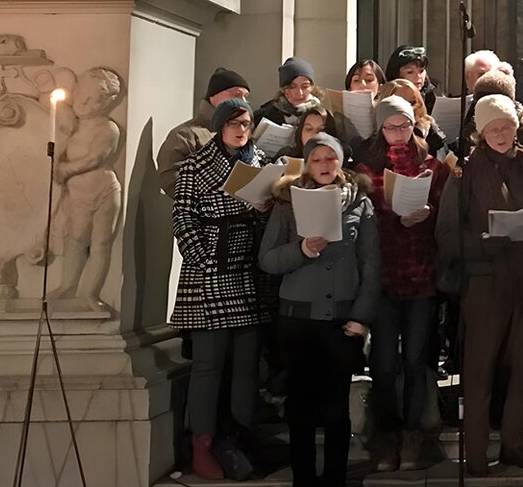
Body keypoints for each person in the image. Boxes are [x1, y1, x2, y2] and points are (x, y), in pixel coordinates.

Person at [435, 95, 523, 474]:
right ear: (480, 132)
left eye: (507, 127)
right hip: (483, 281)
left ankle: (515, 444)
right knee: (480, 370)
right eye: (494, 128)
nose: (502, 134)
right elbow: (447, 235)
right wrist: (485, 243)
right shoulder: (465, 173)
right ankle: (477, 453)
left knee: (520, 368)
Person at [257, 132, 380, 487]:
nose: (325, 165)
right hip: (298, 321)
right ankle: (305, 479)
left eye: (331, 158)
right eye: (318, 159)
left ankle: (335, 479)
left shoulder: (359, 203)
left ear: (341, 162)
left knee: (336, 408)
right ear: (307, 164)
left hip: (342, 322)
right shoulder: (286, 203)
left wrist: (361, 318)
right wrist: (303, 250)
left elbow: (371, 266)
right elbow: (267, 259)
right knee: (301, 409)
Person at [170, 98, 273, 480]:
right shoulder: (196, 165)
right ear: (219, 126)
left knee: (246, 364)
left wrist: (264, 210)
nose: (241, 129)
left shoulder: (260, 161)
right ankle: (202, 443)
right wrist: (203, 258)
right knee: (208, 364)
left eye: (245, 122)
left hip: (247, 271)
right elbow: (182, 214)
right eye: (233, 123)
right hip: (210, 270)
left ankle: (242, 439)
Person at [355, 95, 451, 471]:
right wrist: (395, 220)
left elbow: (446, 216)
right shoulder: (367, 167)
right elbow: (360, 222)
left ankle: (412, 435)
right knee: (382, 364)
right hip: (383, 276)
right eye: (392, 126)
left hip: (421, 275)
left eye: (405, 125)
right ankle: (385, 437)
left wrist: (428, 215)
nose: (399, 133)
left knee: (414, 361)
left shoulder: (432, 165)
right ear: (380, 128)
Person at [157, 67, 250, 200]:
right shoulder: (185, 135)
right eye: (236, 94)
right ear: (214, 96)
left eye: (246, 97)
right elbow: (171, 179)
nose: (243, 102)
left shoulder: (243, 133)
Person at [377, 79, 447, 156]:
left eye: (412, 102)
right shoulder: (374, 138)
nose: (408, 107)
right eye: (400, 103)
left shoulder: (430, 129)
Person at [258, 57, 321, 126]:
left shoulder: (322, 114)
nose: (300, 93)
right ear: (284, 89)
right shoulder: (266, 114)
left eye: (305, 86)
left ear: (312, 87)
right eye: (292, 87)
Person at [273, 102, 339, 163]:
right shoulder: (285, 156)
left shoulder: (337, 161)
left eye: (321, 130)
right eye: (309, 129)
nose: (314, 134)